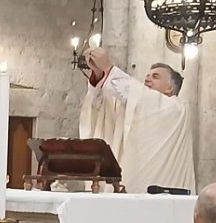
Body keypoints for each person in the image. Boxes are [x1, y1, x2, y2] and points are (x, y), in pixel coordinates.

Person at [80, 47, 195, 195]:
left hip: (163, 191)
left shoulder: (175, 109)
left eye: (155, 76)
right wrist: (99, 74)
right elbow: (104, 108)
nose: (147, 79)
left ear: (169, 88)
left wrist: (108, 68)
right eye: (147, 75)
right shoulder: (136, 107)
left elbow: (138, 95)